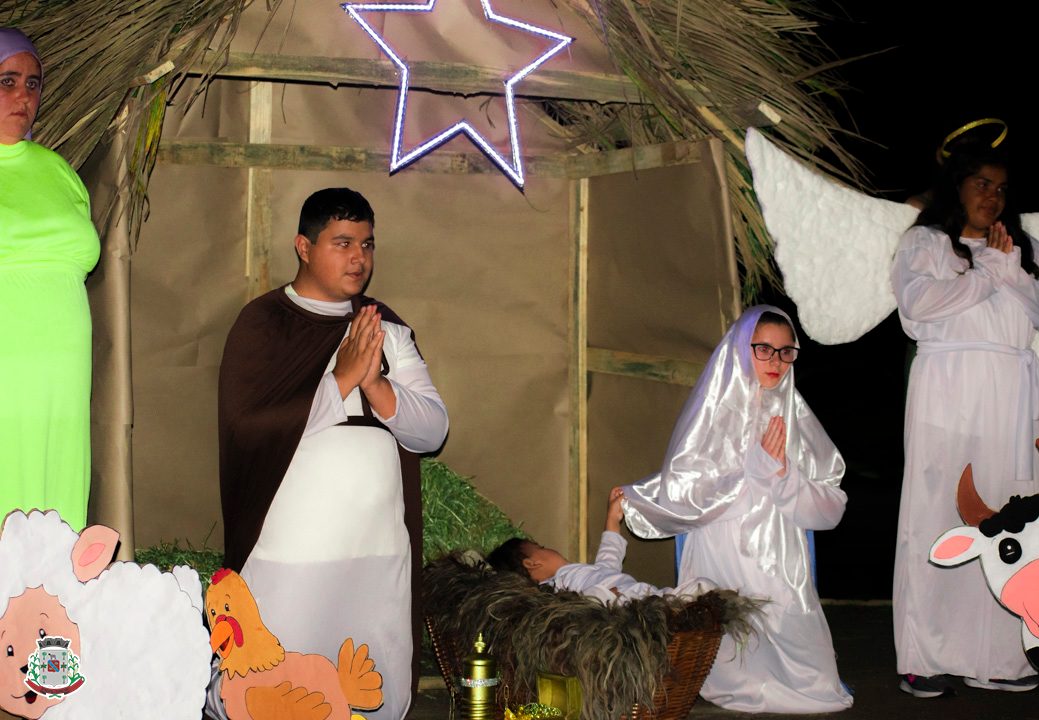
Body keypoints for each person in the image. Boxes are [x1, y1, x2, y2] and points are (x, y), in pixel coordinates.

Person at [217, 188, 449, 720]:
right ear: (303, 245)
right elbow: (247, 428)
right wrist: (342, 379)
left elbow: (433, 430)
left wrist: (378, 389)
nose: (358, 259)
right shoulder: (263, 323)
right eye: (342, 243)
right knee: (280, 685)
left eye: (366, 244)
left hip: (376, 547)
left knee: (367, 682)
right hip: (291, 549)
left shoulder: (383, 324)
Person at [891, 148, 1039, 698]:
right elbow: (919, 303)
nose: (990, 195)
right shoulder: (923, 242)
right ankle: (923, 656)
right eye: (980, 183)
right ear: (957, 187)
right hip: (949, 386)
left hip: (1012, 393)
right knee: (936, 513)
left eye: (999, 187)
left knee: (1008, 515)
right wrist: (987, 276)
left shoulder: (1023, 248)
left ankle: (999, 657)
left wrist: (1010, 271)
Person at [619, 306, 852, 714]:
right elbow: (684, 489)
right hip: (723, 542)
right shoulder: (715, 410)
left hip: (780, 547)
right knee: (733, 643)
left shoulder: (795, 414)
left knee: (814, 676)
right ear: (741, 349)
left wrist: (784, 479)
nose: (775, 361)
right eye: (763, 349)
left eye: (785, 351)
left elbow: (832, 504)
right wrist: (753, 472)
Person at [0, 28, 100, 528]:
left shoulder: (60, 171)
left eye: (33, 84)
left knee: (58, 488)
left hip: (64, 365)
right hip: (6, 361)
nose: (24, 96)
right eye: (7, 81)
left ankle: (51, 605)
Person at [487, 487, 717, 604]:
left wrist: (612, 519)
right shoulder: (554, 586)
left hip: (650, 598)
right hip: (630, 606)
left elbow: (608, 562)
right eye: (541, 546)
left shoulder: (579, 573)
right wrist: (603, 594)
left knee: (702, 586)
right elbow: (573, 610)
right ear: (532, 562)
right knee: (701, 588)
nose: (549, 548)